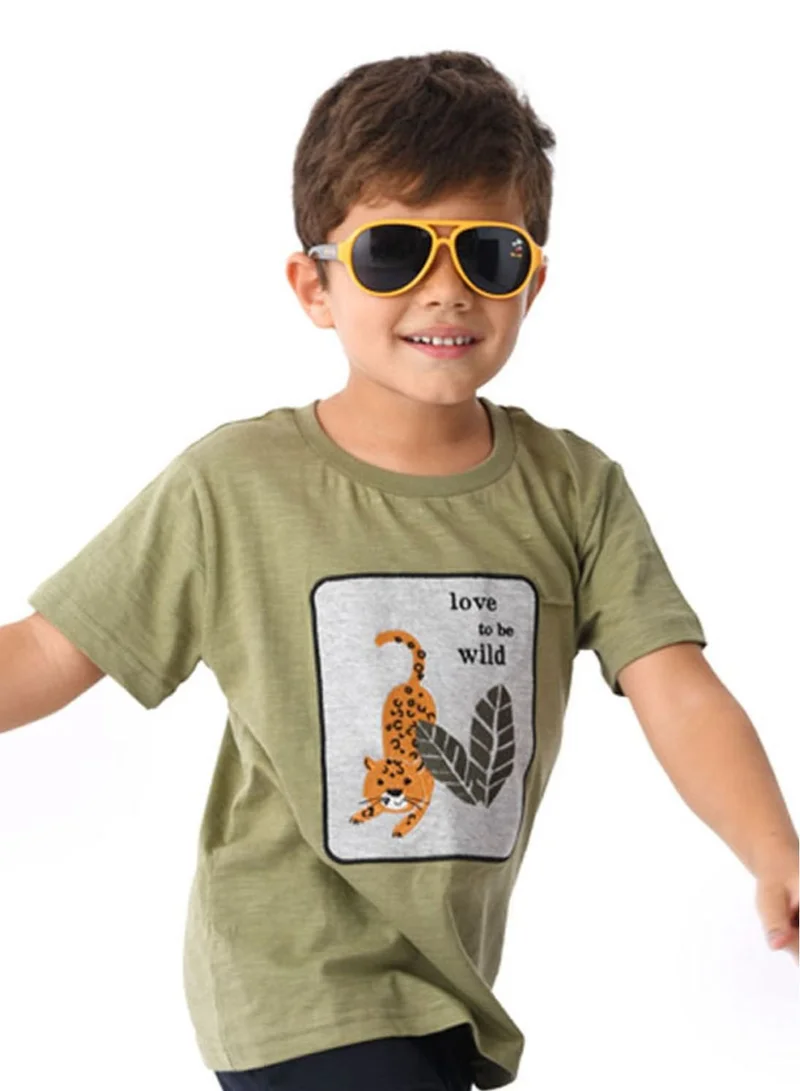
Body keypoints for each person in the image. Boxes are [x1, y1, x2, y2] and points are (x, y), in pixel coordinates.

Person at [2, 49, 797, 1091]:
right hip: (294, 980)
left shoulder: (574, 489)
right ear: (315, 285)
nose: (445, 290)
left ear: (532, 280)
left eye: (488, 254)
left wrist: (773, 847)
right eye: (393, 252)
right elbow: (52, 649)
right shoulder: (234, 483)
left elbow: (677, 688)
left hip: (452, 987)